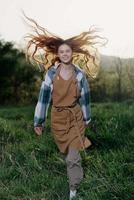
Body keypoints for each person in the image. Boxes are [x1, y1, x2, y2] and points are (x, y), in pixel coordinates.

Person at [24, 13, 107, 200]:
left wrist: (87, 119)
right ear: (58, 54)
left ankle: (73, 189)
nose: (65, 54)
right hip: (58, 119)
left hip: (75, 116)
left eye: (68, 51)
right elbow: (43, 99)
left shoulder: (80, 75)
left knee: (73, 156)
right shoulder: (51, 74)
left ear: (72, 53)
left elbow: (85, 98)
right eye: (61, 52)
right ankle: (73, 172)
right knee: (67, 152)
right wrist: (39, 121)